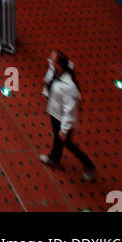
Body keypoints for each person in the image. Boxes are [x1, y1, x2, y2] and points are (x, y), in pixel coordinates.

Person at [40, 51, 96, 180]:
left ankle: (89, 165)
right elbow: (48, 80)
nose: (49, 61)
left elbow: (69, 110)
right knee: (57, 138)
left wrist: (64, 129)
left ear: (59, 64)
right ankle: (54, 158)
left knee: (67, 143)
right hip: (55, 113)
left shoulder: (69, 87)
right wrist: (46, 93)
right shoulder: (55, 70)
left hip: (63, 118)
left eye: (52, 60)